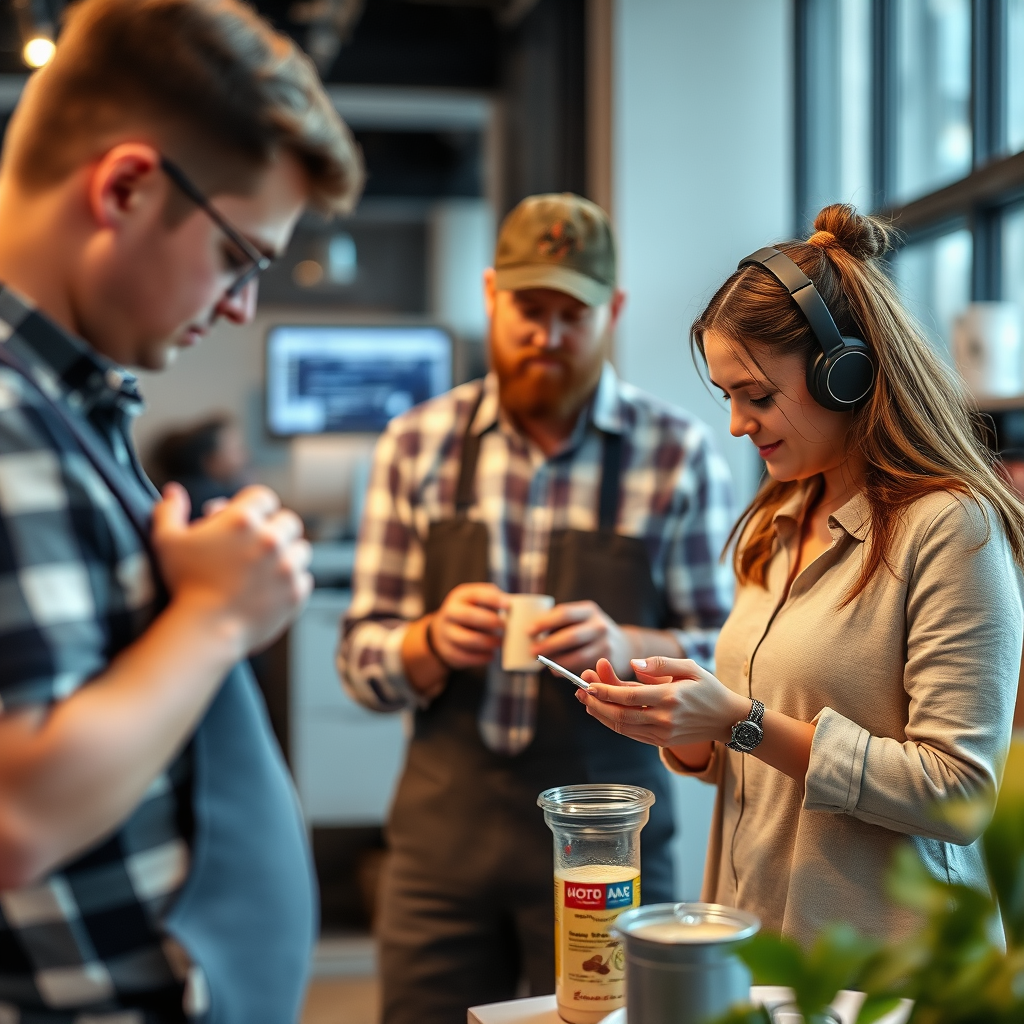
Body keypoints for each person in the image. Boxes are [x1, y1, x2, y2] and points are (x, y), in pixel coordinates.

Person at [0, 0, 361, 1021]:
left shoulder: (70, 402)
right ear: (126, 187)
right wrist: (217, 617)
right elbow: (17, 813)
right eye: (241, 255)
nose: (244, 305)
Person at [576, 204, 1024, 946]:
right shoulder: (777, 519)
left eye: (757, 395)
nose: (737, 424)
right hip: (764, 947)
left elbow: (958, 796)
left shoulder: (951, 527)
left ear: (846, 373)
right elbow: (760, 766)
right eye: (728, 398)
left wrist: (738, 722)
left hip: (893, 970)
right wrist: (687, 730)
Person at [340, 193, 735, 1023]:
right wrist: (429, 643)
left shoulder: (678, 456)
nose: (547, 336)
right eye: (528, 309)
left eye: (572, 313)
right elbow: (361, 664)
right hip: (443, 850)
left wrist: (623, 641)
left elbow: (729, 657)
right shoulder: (416, 446)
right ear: (491, 295)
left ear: (614, 311)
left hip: (613, 844)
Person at [149, 414, 250, 517]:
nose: (245, 456)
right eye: (236, 449)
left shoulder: (181, 491)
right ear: (211, 461)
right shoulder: (217, 500)